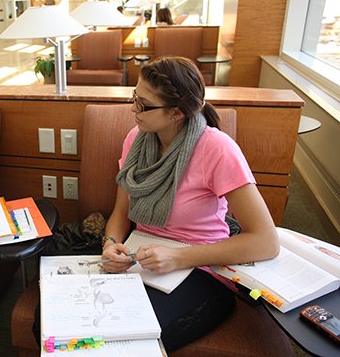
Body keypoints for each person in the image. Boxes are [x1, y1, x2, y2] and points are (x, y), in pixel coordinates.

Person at [101, 56, 279, 351]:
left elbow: (266, 241)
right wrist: (109, 244)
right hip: (139, 259)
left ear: (176, 113)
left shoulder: (217, 149)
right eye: (135, 96)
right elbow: (122, 211)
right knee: (50, 319)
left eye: (144, 105)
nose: (134, 109)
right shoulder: (136, 138)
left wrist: (178, 257)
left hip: (202, 270)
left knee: (123, 340)